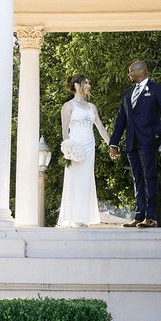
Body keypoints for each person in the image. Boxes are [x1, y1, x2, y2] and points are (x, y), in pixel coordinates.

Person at [109, 60, 161, 228]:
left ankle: (150, 217)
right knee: (137, 178)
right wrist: (114, 143)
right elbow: (120, 121)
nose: (129, 74)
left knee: (149, 177)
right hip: (131, 143)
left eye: (131, 71)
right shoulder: (127, 94)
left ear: (142, 71)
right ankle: (139, 215)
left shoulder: (156, 89)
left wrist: (157, 132)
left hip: (149, 141)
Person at [56, 74, 111, 227]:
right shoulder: (68, 106)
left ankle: (84, 217)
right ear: (76, 86)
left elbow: (100, 127)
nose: (88, 86)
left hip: (89, 146)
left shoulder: (92, 107)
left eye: (89, 83)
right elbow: (64, 130)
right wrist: (68, 149)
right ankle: (74, 217)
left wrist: (111, 145)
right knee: (75, 180)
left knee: (86, 179)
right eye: (86, 83)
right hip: (76, 146)